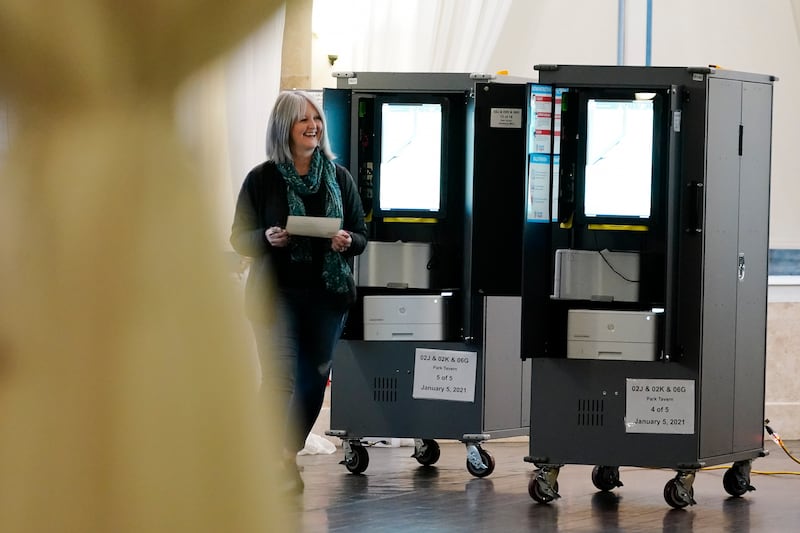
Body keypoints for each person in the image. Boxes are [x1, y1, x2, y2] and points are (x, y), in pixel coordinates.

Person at [230, 90, 367, 493]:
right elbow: (239, 237)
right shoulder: (262, 178)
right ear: (283, 128)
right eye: (302, 120)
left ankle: (284, 456)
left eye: (316, 119)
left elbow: (361, 234)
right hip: (276, 296)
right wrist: (266, 237)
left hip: (326, 297)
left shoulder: (339, 177)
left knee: (314, 377)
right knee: (279, 380)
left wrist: (346, 240)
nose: (313, 126)